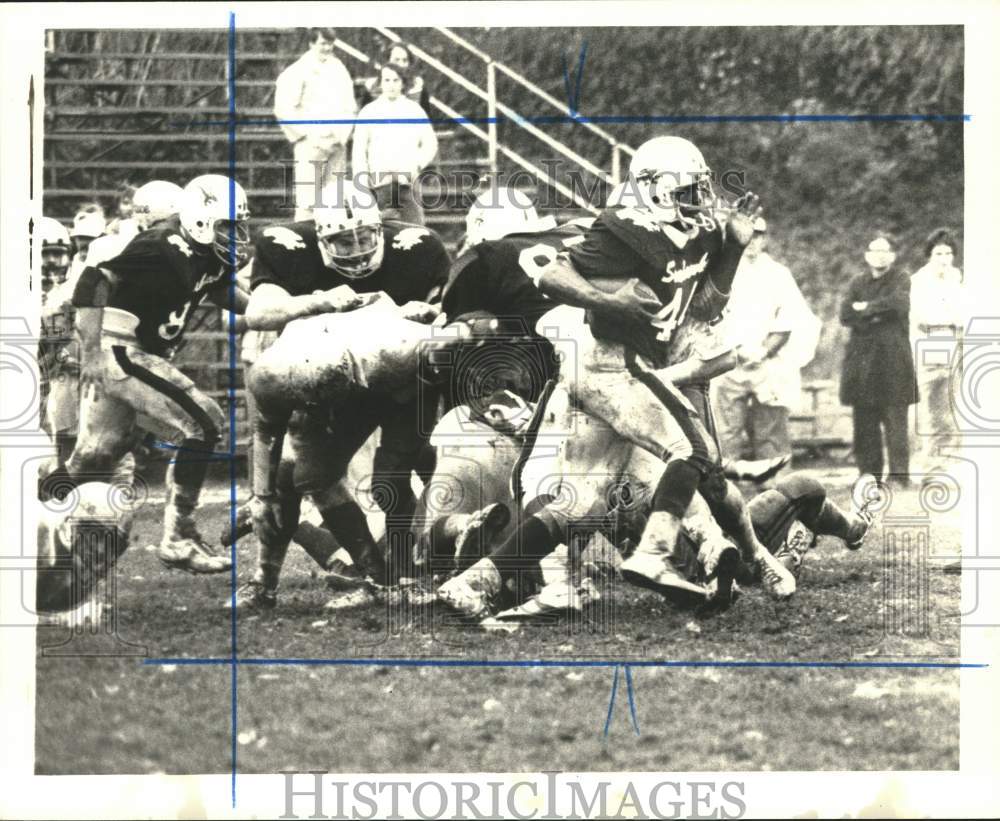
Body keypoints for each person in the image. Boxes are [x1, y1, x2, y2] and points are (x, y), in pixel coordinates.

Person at [436, 136, 797, 620]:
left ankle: (474, 582)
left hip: (623, 370)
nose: (699, 200)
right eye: (687, 191)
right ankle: (656, 553)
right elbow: (553, 276)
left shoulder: (700, 230)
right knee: (693, 452)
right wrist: (610, 301)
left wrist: (731, 247)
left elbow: (706, 303)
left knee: (579, 499)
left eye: (700, 189)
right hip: (611, 363)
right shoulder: (622, 228)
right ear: (653, 189)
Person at [234, 180, 451, 609]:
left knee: (395, 471)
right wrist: (318, 303)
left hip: (406, 372)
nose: (354, 249)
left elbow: (452, 316)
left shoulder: (416, 247)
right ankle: (370, 572)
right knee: (302, 476)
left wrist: (431, 316)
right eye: (340, 241)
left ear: (378, 227)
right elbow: (258, 314)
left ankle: (406, 575)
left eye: (363, 238)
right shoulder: (280, 372)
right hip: (328, 375)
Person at [45, 174, 251, 575]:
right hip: (121, 351)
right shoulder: (161, 245)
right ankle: (178, 537)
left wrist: (286, 305)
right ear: (200, 220)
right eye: (228, 225)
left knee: (94, 456)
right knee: (204, 423)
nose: (236, 234)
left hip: (135, 353)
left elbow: (228, 294)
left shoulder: (204, 254)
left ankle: (28, 518)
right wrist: (90, 354)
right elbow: (93, 279)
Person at [713, 216, 820, 476]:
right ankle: (723, 495)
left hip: (767, 363)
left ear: (765, 239)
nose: (752, 241)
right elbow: (711, 315)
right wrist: (734, 350)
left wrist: (763, 351)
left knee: (771, 431)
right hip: (730, 360)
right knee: (725, 432)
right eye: (748, 236)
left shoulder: (777, 274)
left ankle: (779, 494)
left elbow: (790, 318)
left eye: (758, 235)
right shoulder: (721, 270)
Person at [839, 233, 917, 487]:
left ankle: (898, 477)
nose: (880, 255)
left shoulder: (901, 278)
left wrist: (866, 309)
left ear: (893, 255)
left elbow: (899, 306)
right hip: (862, 365)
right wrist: (873, 312)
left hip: (893, 362)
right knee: (865, 425)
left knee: (895, 424)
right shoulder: (857, 281)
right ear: (866, 255)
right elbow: (845, 313)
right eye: (875, 250)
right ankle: (869, 477)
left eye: (885, 250)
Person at [274, 27, 357, 221]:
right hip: (311, 145)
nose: (327, 48)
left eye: (330, 44)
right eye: (322, 43)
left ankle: (332, 247)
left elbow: (349, 106)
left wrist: (341, 136)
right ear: (311, 44)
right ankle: (306, 247)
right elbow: (283, 108)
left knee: (334, 201)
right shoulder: (297, 70)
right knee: (307, 202)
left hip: (336, 144)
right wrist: (308, 136)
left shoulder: (339, 69)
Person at [352, 63, 438, 226]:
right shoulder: (369, 111)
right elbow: (359, 150)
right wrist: (362, 181)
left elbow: (430, 143)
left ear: (403, 83)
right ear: (380, 83)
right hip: (379, 184)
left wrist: (417, 165)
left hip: (407, 182)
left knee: (415, 231)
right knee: (379, 232)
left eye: (395, 80)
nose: (391, 85)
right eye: (387, 80)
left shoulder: (414, 110)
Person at [909, 228, 965, 475]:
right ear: (929, 255)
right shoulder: (919, 281)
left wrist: (954, 323)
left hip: (952, 346)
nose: (944, 258)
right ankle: (925, 463)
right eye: (938, 252)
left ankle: (944, 464)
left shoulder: (956, 279)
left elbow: (963, 315)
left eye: (948, 252)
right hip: (927, 347)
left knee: (950, 409)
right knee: (925, 410)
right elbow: (922, 318)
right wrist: (948, 319)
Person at [360, 42, 432, 116]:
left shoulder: (418, 87)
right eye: (396, 60)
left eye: (405, 60)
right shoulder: (372, 87)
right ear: (387, 61)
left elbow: (426, 119)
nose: (401, 64)